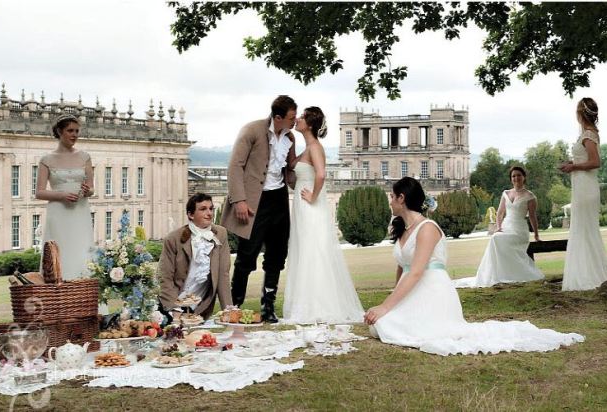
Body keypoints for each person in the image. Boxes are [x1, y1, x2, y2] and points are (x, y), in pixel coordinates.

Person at [364, 177, 584, 356]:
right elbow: (403, 268)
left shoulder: (427, 228)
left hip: (430, 290)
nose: (390, 201)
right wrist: (393, 303)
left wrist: (384, 306)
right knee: (380, 326)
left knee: (386, 326)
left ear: (402, 198)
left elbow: (418, 271)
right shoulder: (404, 229)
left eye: (392, 197)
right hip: (411, 292)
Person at [282, 107, 364, 324]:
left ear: (309, 124)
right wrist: (288, 138)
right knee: (305, 250)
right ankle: (307, 303)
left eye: (301, 117)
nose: (297, 119)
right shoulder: (307, 147)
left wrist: (313, 196)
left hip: (311, 207)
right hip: (303, 207)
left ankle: (318, 306)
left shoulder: (315, 148)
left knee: (313, 250)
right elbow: (292, 167)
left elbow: (321, 174)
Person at [220, 95, 297, 323]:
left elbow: (289, 171)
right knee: (247, 255)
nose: (295, 121)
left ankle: (268, 306)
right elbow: (235, 166)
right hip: (255, 202)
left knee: (277, 255)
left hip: (279, 199)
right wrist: (240, 200)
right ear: (278, 117)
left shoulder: (290, 137)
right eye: (291, 117)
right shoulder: (252, 130)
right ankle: (234, 305)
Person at [560, 98, 607, 291]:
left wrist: (573, 166)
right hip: (582, 186)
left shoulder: (588, 134)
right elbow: (585, 158)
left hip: (586, 187)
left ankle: (589, 275)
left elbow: (595, 162)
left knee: (584, 229)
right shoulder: (588, 134)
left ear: (580, 114)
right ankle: (586, 271)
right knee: (582, 229)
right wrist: (572, 162)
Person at [453, 166, 544, 288]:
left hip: (519, 230)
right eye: (513, 176)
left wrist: (536, 235)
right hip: (506, 227)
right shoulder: (506, 193)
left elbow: (533, 217)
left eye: (518, 175)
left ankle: (507, 274)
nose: (516, 178)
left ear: (524, 177)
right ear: (511, 179)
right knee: (496, 237)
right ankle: (494, 274)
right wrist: (499, 227)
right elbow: (500, 213)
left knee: (496, 239)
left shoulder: (530, 196)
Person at [35, 114, 94, 280]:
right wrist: (61, 195)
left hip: (80, 211)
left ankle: (84, 296)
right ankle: (58, 296)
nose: (75, 134)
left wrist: (87, 191)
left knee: (82, 249)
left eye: (77, 131)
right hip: (58, 212)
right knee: (58, 251)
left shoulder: (85, 157)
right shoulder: (46, 159)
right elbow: (39, 192)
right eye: (70, 130)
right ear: (60, 131)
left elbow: (91, 189)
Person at [158, 193, 232, 320]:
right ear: (191, 214)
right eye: (203, 209)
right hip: (171, 306)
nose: (209, 213)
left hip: (199, 308)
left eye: (211, 208)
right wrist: (174, 309)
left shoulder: (220, 234)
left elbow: (222, 275)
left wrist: (229, 310)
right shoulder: (173, 239)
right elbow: (165, 277)